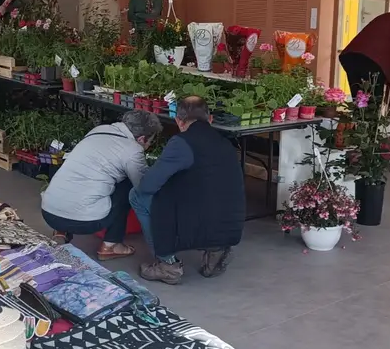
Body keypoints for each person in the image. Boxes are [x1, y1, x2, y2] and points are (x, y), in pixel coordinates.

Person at [130, 97, 245, 285]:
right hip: (230, 222)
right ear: (210, 119)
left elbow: (147, 186)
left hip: (197, 219)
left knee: (137, 195)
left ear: (178, 121)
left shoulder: (182, 142)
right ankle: (216, 250)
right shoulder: (225, 143)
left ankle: (167, 265)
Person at [40, 110, 162, 261]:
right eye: (150, 142)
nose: (148, 146)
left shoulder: (98, 131)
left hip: (48, 212)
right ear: (142, 138)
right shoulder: (133, 150)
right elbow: (143, 186)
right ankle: (111, 245)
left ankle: (60, 232)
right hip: (86, 222)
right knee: (128, 186)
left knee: (76, 175)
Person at [339, 1, 390, 101]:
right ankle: (369, 116)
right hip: (370, 63)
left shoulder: (385, 17)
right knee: (373, 103)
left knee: (360, 100)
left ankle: (359, 115)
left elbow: (382, 45)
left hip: (351, 58)